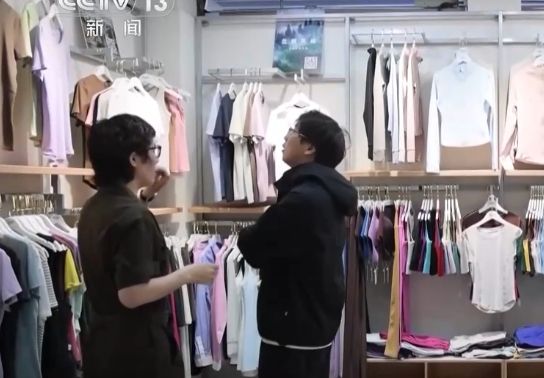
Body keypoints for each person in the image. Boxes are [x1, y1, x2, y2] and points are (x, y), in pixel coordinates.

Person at [78, 114, 217, 378]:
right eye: (153, 150)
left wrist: (147, 194)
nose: (156, 159)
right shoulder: (134, 217)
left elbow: (119, 241)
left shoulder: (94, 206)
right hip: (137, 352)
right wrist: (187, 274)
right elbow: (131, 294)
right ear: (133, 159)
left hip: (103, 344)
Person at [237, 110, 357, 377]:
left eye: (292, 131)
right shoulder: (326, 193)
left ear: (309, 147)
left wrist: (249, 230)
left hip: (292, 327)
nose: (284, 137)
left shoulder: (303, 199)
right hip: (313, 322)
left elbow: (252, 246)